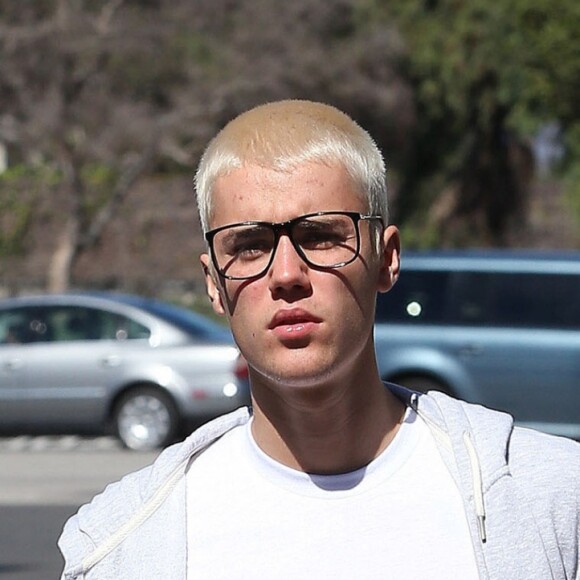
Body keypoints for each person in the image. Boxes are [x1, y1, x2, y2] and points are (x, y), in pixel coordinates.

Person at [58, 100, 579, 579]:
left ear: (386, 258)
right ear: (213, 283)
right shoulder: (120, 544)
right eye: (249, 245)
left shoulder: (548, 502)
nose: (286, 274)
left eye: (321, 236)